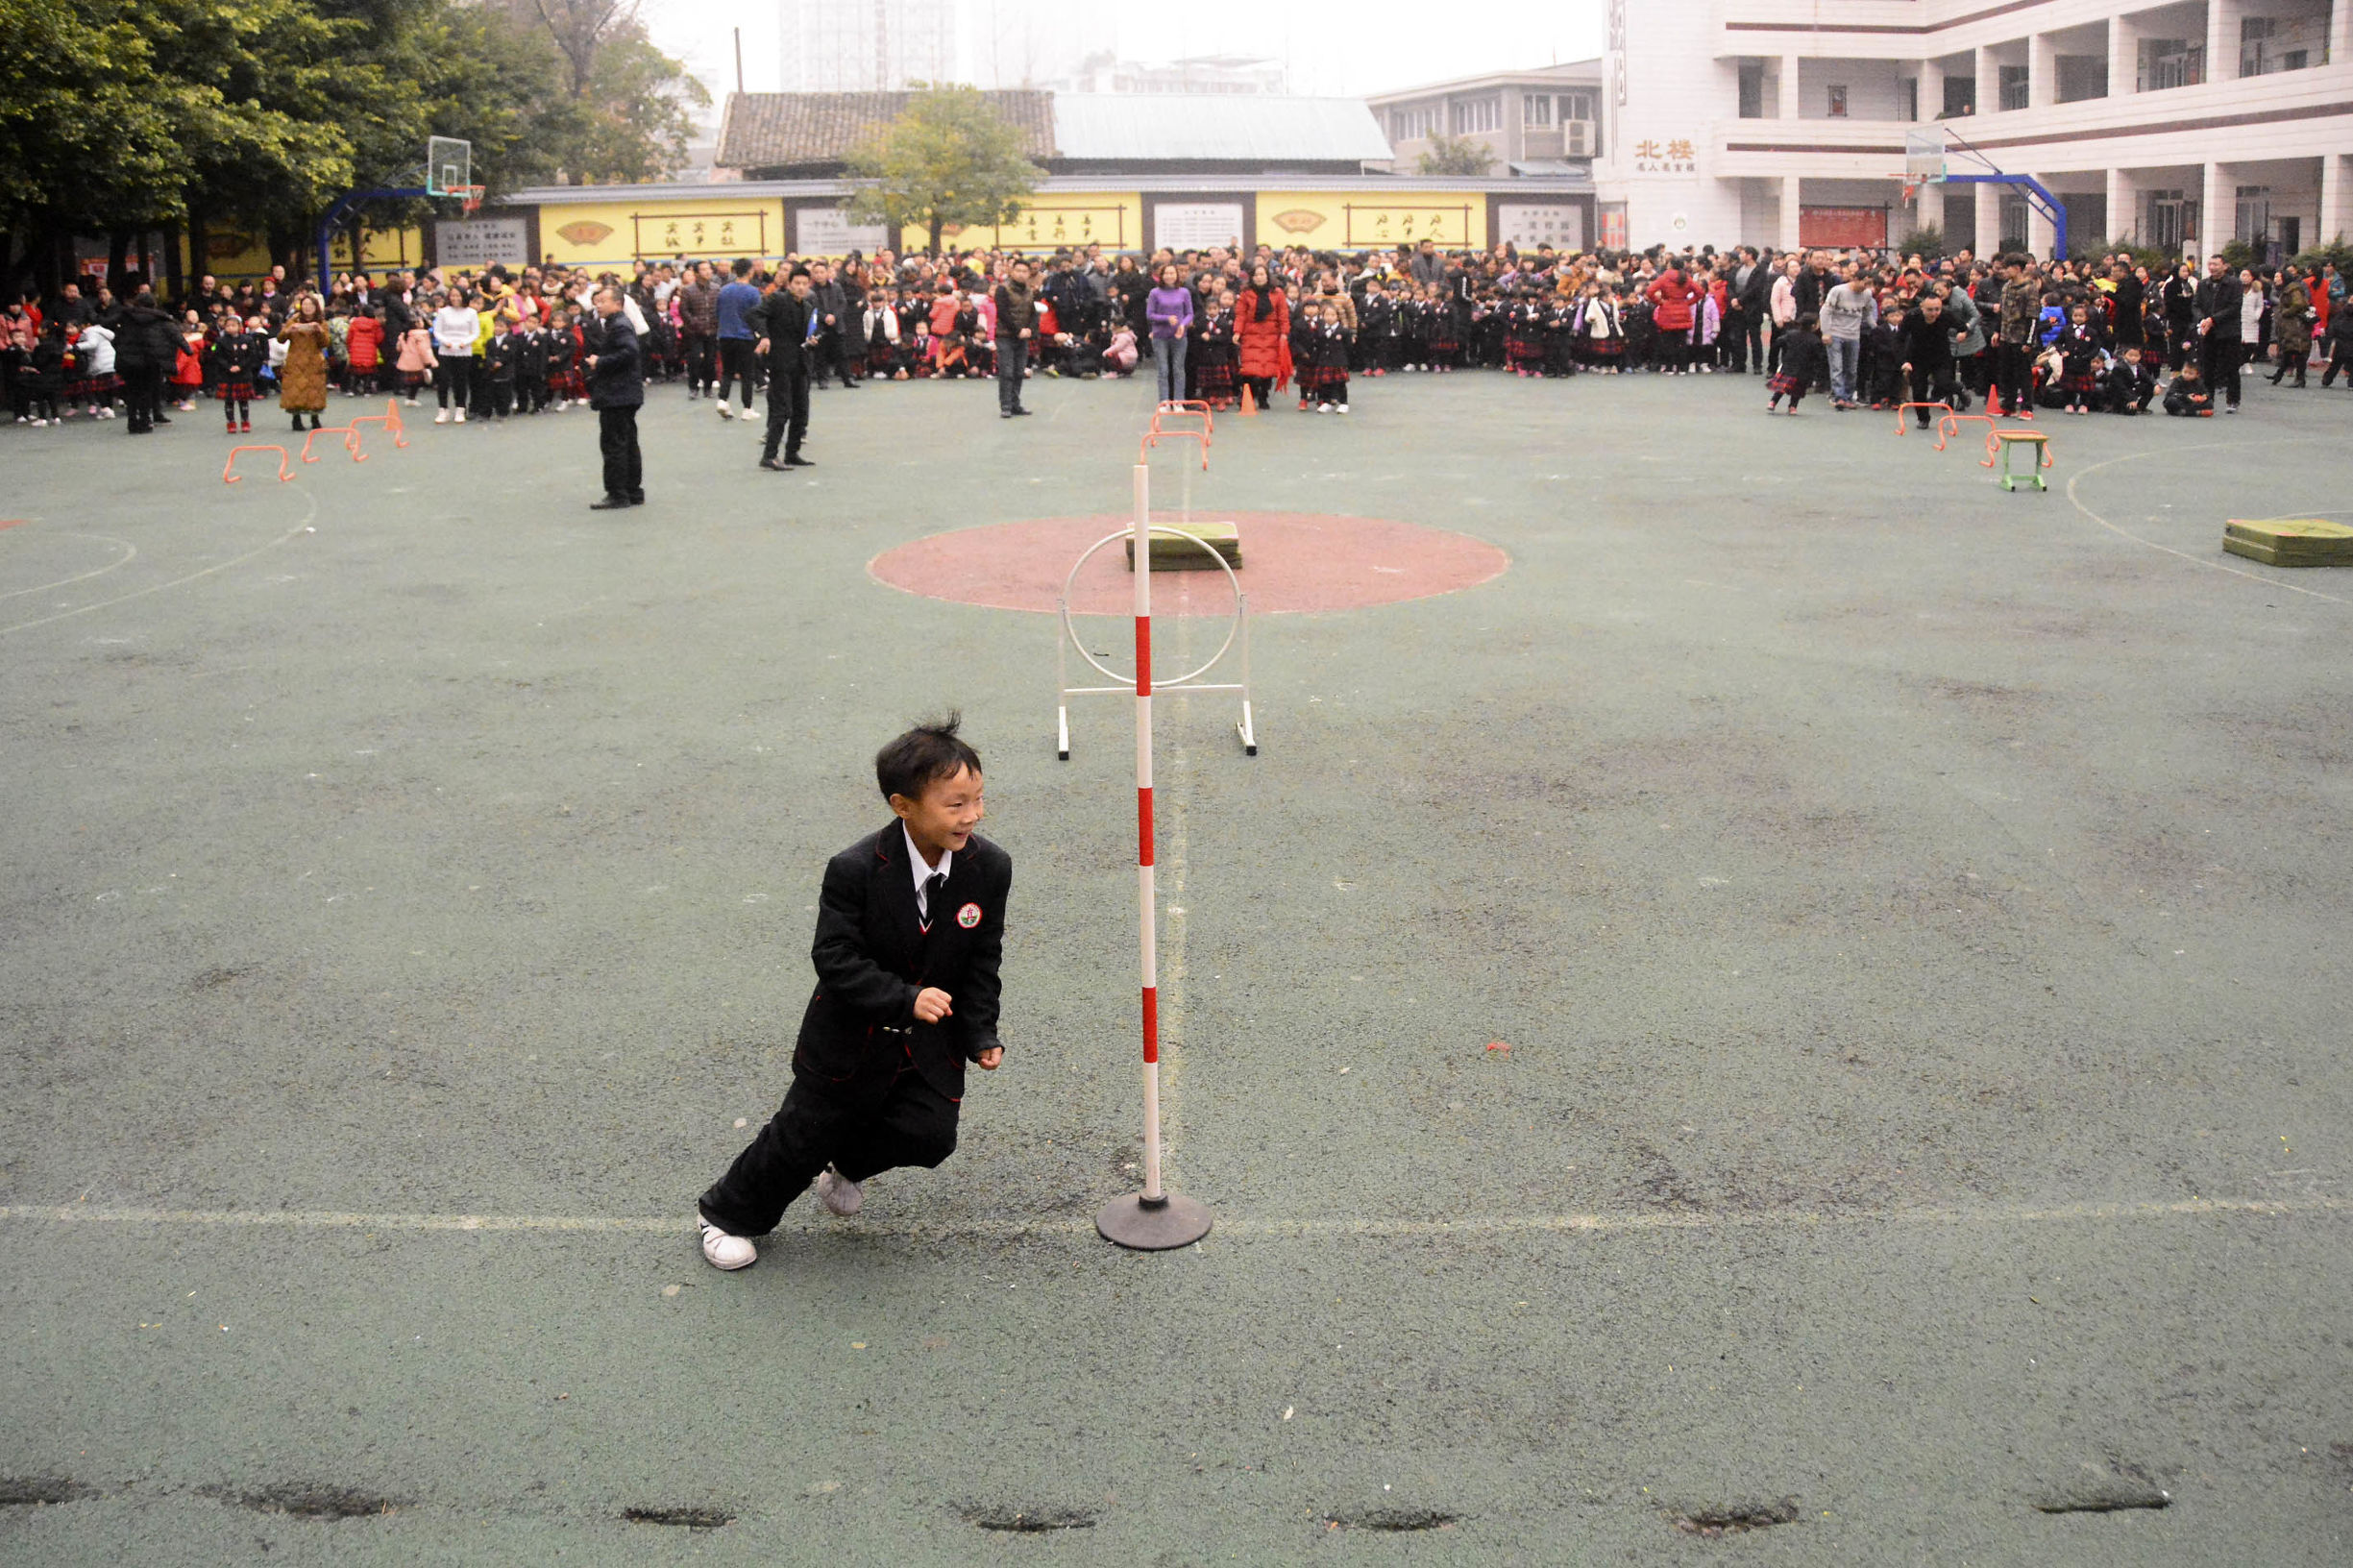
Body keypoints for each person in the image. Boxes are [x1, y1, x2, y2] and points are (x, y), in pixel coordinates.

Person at [696, 717, 1012, 1272]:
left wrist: (982, 1030)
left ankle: (844, 1165)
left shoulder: (989, 867)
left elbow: (981, 959)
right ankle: (725, 1215)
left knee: (931, 1136)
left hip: (928, 1043)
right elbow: (834, 958)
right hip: (849, 1038)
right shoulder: (855, 870)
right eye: (956, 804)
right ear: (903, 805)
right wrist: (904, 997)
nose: (973, 816)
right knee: (801, 1135)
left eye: (978, 799)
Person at [583, 284, 644, 509]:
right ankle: (633, 491)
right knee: (627, 442)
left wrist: (600, 362)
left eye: (603, 301)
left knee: (614, 444)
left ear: (617, 303)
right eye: (597, 301)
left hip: (617, 393)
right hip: (624, 393)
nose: (598, 305)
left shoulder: (619, 326)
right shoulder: (619, 324)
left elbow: (629, 352)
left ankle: (617, 493)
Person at [753, 264, 816, 470]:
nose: (800, 287)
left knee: (801, 410)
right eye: (797, 283)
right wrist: (764, 336)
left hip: (800, 363)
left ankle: (792, 453)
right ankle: (769, 455)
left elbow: (807, 334)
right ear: (789, 284)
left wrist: (813, 339)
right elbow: (754, 315)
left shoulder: (807, 307)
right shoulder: (777, 300)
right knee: (782, 410)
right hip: (780, 362)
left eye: (804, 284)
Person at [2192, 255, 2244, 414]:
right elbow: (2195, 305)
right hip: (2208, 332)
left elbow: (2235, 306)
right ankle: (2208, 398)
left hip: (2229, 331)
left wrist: (2213, 319)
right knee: (2207, 367)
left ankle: (2233, 399)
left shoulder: (2234, 284)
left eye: (2216, 264)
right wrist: (2202, 320)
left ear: (2224, 266)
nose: (2212, 267)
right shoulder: (2203, 284)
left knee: (2231, 367)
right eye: (2210, 264)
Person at [714, 258, 762, 419]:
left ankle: (722, 399)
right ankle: (747, 409)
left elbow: (718, 312)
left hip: (725, 335)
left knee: (727, 371)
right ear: (750, 271)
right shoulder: (753, 292)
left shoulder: (724, 290)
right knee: (747, 374)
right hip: (745, 336)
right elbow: (757, 315)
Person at [276, 296, 331, 432]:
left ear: (315, 307)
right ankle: (296, 419)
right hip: (295, 360)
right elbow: (280, 339)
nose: (307, 307)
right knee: (295, 390)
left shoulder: (321, 322)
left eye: (310, 305)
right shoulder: (293, 320)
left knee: (315, 390)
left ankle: (315, 418)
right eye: (305, 304)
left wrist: (319, 331)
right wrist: (288, 331)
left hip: (314, 360)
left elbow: (325, 343)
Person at [992, 258, 1037, 418]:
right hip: (1005, 336)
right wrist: (1018, 330)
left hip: (1023, 337)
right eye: (1018, 271)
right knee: (1006, 372)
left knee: (1019, 372)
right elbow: (1003, 313)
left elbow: (1033, 312)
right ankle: (1005, 405)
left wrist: (1030, 329)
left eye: (1025, 271)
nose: (1021, 274)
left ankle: (1015, 404)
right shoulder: (1002, 289)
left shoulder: (1030, 291)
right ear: (1011, 272)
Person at [429, 287, 478, 424]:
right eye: (452, 296)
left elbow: (475, 332)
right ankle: (443, 410)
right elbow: (437, 331)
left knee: (460, 382)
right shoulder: (443, 312)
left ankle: (460, 409)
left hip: (463, 351)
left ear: (463, 297)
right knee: (443, 381)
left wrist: (465, 342)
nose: (455, 298)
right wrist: (446, 342)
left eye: (458, 295)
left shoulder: (471, 313)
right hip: (446, 351)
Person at [1767, 312, 1826, 414]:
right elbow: (1819, 356)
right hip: (1804, 367)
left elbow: (1779, 341)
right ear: (1813, 326)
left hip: (1789, 364)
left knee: (1782, 386)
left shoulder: (1791, 334)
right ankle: (1793, 406)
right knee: (1798, 388)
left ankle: (1773, 402)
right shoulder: (1815, 340)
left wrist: (1786, 350)